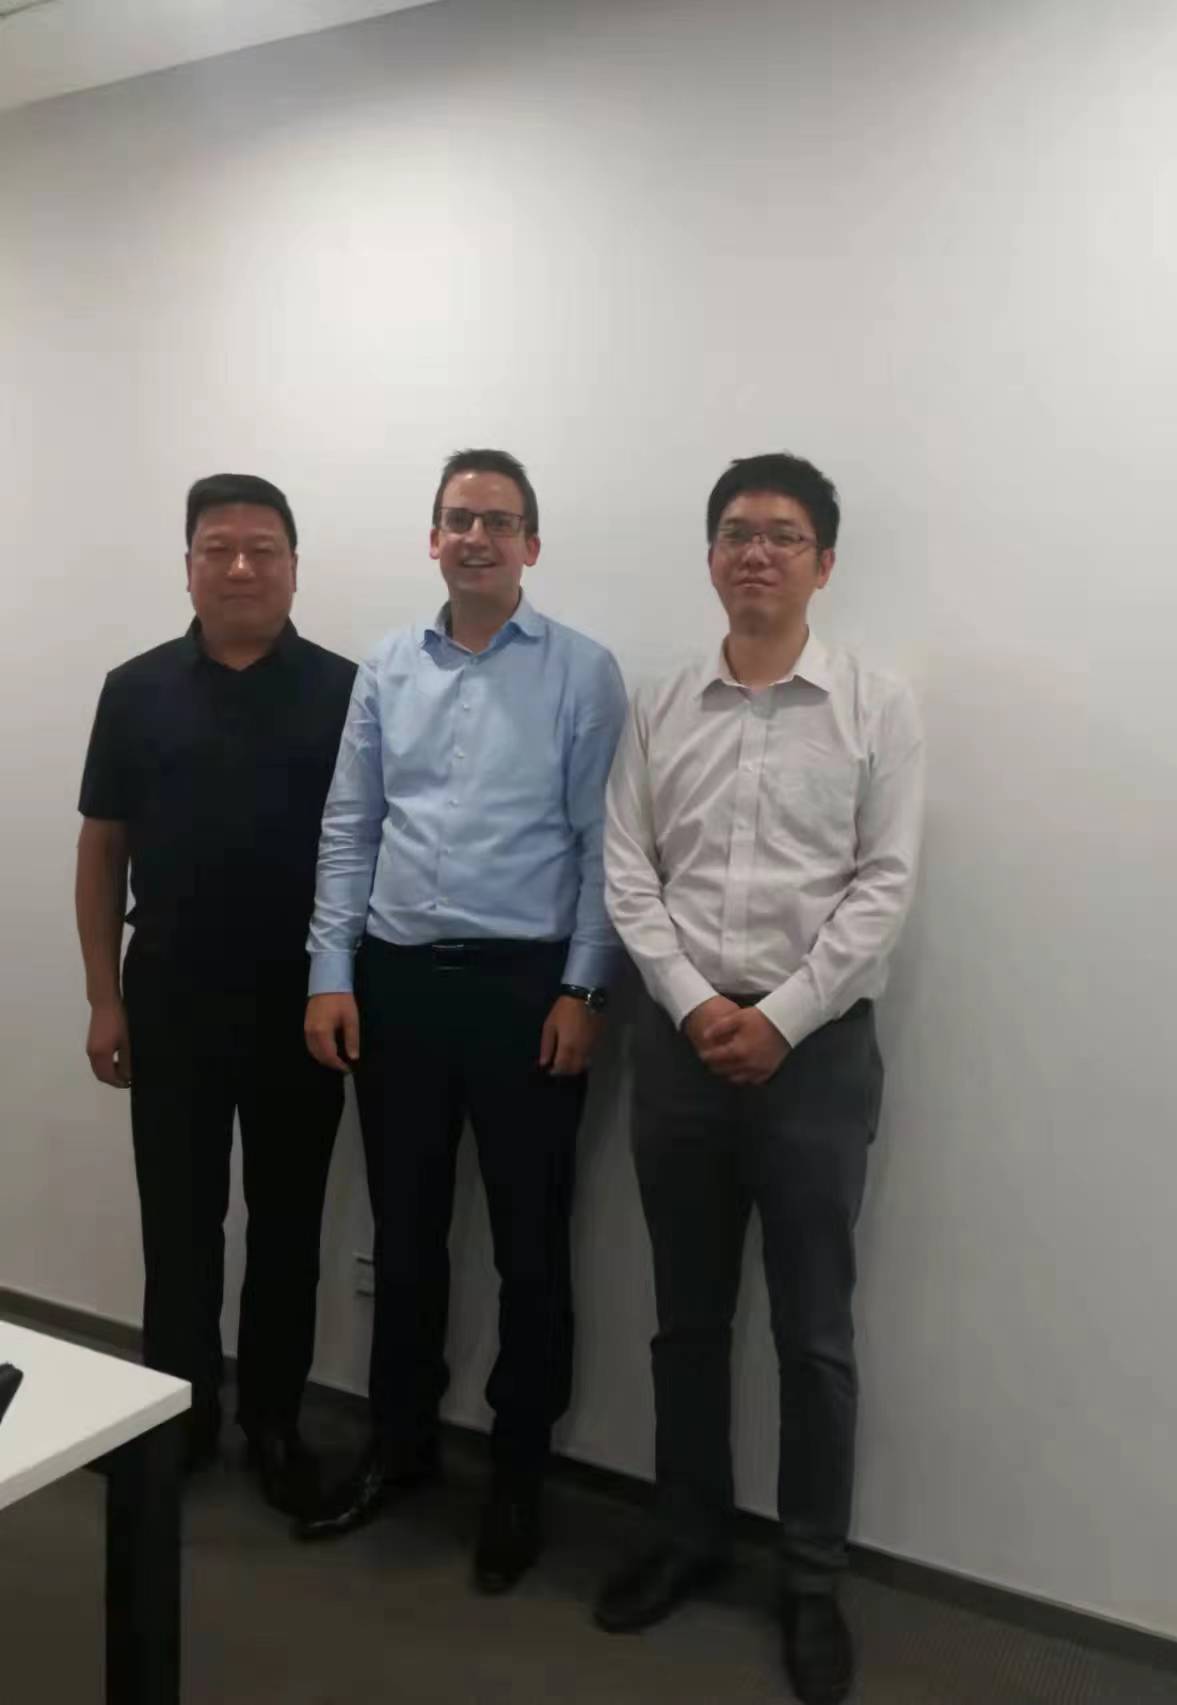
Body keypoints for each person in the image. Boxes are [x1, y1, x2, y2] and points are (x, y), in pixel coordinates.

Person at [597, 454, 924, 1705]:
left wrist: (780, 1019)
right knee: (685, 1315)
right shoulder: (661, 703)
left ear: (823, 563)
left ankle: (809, 1578)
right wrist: (693, 1003)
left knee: (813, 1332)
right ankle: (688, 1533)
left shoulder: (875, 708)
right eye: (736, 532)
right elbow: (628, 870)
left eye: (784, 536)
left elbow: (883, 887)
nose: (757, 553)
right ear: (710, 556)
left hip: (816, 1056)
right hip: (679, 1045)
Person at [298, 448, 627, 1594]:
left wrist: (585, 989)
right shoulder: (388, 666)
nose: (476, 537)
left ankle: (518, 1476)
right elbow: (350, 826)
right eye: (458, 519)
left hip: (529, 992)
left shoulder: (582, 672)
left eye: (498, 520)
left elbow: (606, 846)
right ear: (431, 539)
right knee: (404, 1234)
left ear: (531, 543)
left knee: (533, 1247)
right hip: (396, 985)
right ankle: (400, 1444)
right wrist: (329, 972)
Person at [75, 473, 356, 1516]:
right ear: (188, 565)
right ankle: (178, 1420)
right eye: (218, 548)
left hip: (303, 1003)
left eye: (262, 548)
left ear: (293, 565)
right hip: (169, 994)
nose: (240, 567)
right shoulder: (135, 688)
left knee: (287, 1223)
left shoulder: (347, 691)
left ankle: (274, 1423)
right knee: (179, 1222)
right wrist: (103, 999)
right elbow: (101, 853)